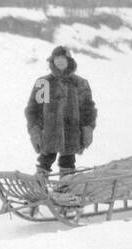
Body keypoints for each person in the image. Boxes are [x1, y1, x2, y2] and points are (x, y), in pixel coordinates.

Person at [26, 45, 97, 175]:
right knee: (45, 160)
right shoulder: (45, 83)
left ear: (69, 60)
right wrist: (35, 130)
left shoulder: (80, 83)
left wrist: (87, 128)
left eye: (62, 58)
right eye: (56, 58)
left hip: (72, 133)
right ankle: (39, 185)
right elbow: (34, 110)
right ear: (52, 61)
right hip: (48, 132)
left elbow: (87, 109)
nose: (59, 61)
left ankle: (65, 188)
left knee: (68, 161)